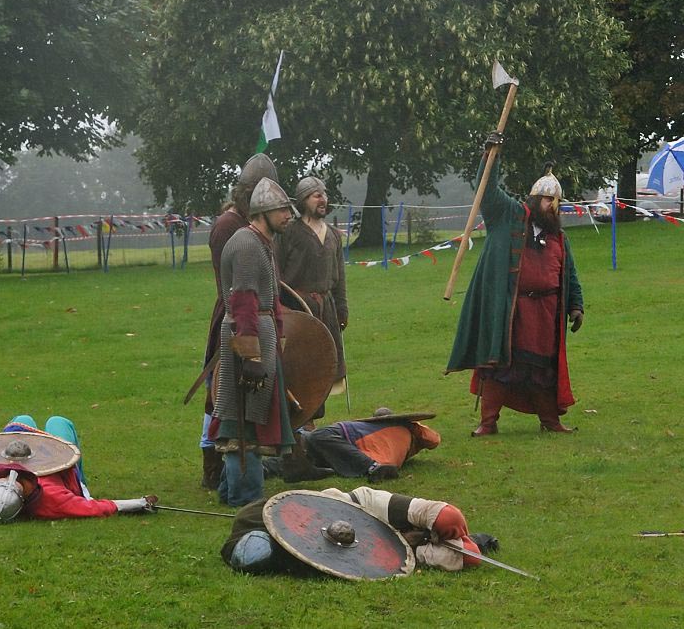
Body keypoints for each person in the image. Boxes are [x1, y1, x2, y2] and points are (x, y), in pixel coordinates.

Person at [447, 133, 584, 436]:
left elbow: (569, 274)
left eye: (557, 202)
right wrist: (490, 155)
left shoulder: (559, 237)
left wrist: (576, 305)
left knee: (543, 369)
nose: (553, 206)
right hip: (511, 309)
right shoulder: (507, 215)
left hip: (546, 313)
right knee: (500, 365)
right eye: (548, 199)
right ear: (535, 200)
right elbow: (488, 190)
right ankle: (488, 422)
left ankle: (550, 420)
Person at [209, 177, 299, 507]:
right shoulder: (247, 245)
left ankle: (230, 493)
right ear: (262, 211)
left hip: (260, 334)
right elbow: (244, 300)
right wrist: (251, 355)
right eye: (282, 210)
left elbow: (267, 298)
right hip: (247, 337)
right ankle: (246, 500)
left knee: (250, 418)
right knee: (242, 424)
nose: (288, 215)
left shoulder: (263, 243)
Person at [197, 154, 280, 490]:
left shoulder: (256, 229)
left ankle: (230, 478)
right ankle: (214, 468)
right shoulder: (232, 229)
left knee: (245, 401)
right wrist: (249, 346)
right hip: (237, 318)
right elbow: (238, 289)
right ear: (247, 193)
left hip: (254, 317)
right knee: (223, 398)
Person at [221, 486, 495, 575]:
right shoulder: (266, 542)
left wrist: (431, 515)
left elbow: (363, 501)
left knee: (447, 519)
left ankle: (459, 538)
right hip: (273, 527)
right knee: (467, 554)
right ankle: (466, 544)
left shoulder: (360, 502)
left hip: (349, 506)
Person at [0, 415, 156, 522]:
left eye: (0, 480)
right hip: (62, 472)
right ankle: (82, 482)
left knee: (22, 420)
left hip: (11, 454)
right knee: (57, 422)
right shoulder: (51, 499)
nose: (7, 477)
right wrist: (139, 503)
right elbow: (94, 508)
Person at [276, 175, 349, 424]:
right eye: (316, 195)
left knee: (323, 363)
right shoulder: (289, 233)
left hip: (326, 308)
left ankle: (314, 420)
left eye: (324, 194)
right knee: (299, 365)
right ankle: (301, 421)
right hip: (298, 308)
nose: (323, 199)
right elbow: (277, 273)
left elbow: (339, 278)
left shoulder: (333, 235)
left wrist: (342, 308)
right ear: (303, 200)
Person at [300, 408, 441, 482]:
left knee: (315, 437)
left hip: (343, 437)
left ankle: (371, 467)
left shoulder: (407, 428)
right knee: (298, 455)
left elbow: (434, 439)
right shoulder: (411, 431)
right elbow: (434, 440)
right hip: (346, 445)